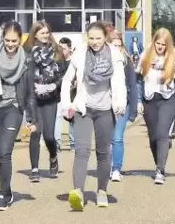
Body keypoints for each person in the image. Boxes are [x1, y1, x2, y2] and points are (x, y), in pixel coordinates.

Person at [60, 21, 127, 211]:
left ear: (105, 38)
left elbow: (120, 82)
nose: (95, 42)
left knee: (103, 152)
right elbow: (66, 82)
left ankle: (102, 191)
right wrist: (66, 106)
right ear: (86, 38)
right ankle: (78, 192)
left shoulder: (115, 55)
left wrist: (120, 103)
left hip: (106, 109)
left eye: (98, 38)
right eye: (91, 38)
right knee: (81, 150)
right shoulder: (80, 55)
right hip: (84, 109)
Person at [0, 21, 37, 212]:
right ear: (2, 39)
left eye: (14, 40)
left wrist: (32, 119)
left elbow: (29, 92)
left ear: (20, 40)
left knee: (5, 152)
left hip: (13, 108)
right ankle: (8, 189)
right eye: (7, 40)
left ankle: (3, 196)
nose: (10, 44)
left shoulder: (27, 61)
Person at [136, 28, 175, 185]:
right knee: (154, 137)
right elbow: (139, 81)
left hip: (168, 100)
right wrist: (138, 101)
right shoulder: (145, 56)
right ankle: (159, 161)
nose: (160, 47)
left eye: (163, 44)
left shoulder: (174, 58)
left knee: (162, 133)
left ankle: (160, 170)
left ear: (168, 45)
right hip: (149, 99)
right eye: (158, 43)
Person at [24, 21, 67, 182]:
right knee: (35, 133)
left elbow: (64, 74)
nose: (45, 35)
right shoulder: (27, 51)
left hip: (50, 98)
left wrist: (52, 86)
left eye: (47, 32)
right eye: (42, 33)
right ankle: (34, 169)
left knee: (49, 136)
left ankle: (53, 155)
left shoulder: (57, 51)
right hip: (33, 98)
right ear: (35, 34)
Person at [107, 30, 139, 182]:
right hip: (105, 103)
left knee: (117, 137)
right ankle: (106, 166)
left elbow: (133, 85)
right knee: (107, 138)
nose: (117, 49)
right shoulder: (102, 61)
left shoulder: (127, 61)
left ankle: (116, 169)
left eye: (119, 45)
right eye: (114, 45)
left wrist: (133, 107)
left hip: (123, 104)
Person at [54, 37, 75, 152]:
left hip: (71, 94)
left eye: (64, 48)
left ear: (70, 49)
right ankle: (57, 143)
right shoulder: (57, 61)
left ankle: (73, 143)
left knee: (72, 118)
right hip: (58, 94)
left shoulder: (74, 61)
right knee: (57, 117)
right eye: (60, 48)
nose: (62, 51)